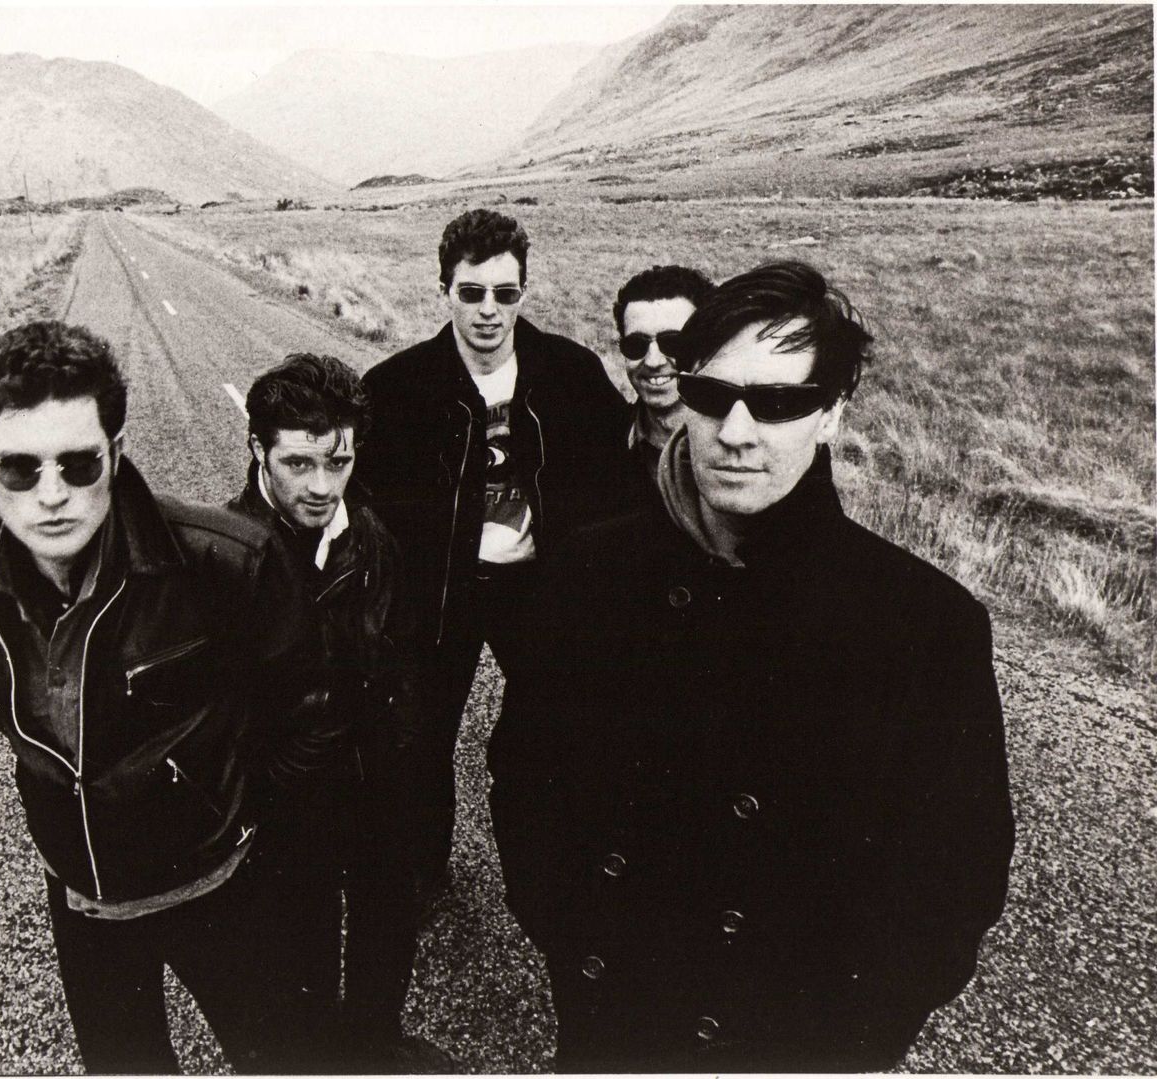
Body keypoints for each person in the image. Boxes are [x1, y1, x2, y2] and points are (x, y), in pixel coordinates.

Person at [490, 261, 1016, 1071]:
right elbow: (525, 772)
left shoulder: (921, 625)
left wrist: (854, 1033)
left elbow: (955, 873)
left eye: (775, 402)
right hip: (614, 1029)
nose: (735, 431)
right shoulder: (589, 575)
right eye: (712, 395)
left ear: (832, 412)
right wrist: (567, 928)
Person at [0, 321, 343, 1073]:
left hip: (219, 887)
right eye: (19, 469)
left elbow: (308, 716)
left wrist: (229, 813)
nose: (53, 495)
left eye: (79, 464)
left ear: (114, 453)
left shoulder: (224, 560)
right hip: (82, 897)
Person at [355, 208, 632, 899]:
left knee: (559, 730)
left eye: (505, 294)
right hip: (441, 590)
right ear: (444, 290)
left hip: (538, 589)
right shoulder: (397, 386)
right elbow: (355, 494)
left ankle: (562, 874)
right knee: (422, 738)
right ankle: (422, 874)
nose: (488, 310)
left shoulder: (570, 373)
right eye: (471, 292)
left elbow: (622, 472)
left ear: (524, 292)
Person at [226, 352, 452, 1072]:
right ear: (258, 449)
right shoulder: (229, 555)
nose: (322, 486)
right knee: (304, 945)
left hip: (379, 779)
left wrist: (404, 753)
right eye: (298, 463)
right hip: (293, 800)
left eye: (339, 461)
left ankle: (375, 1041)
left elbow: (402, 651)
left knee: (389, 915)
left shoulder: (373, 536)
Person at [611, 263, 715, 503]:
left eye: (673, 343)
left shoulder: (741, 443)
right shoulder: (603, 446)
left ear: (709, 344)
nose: (653, 361)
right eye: (636, 345)